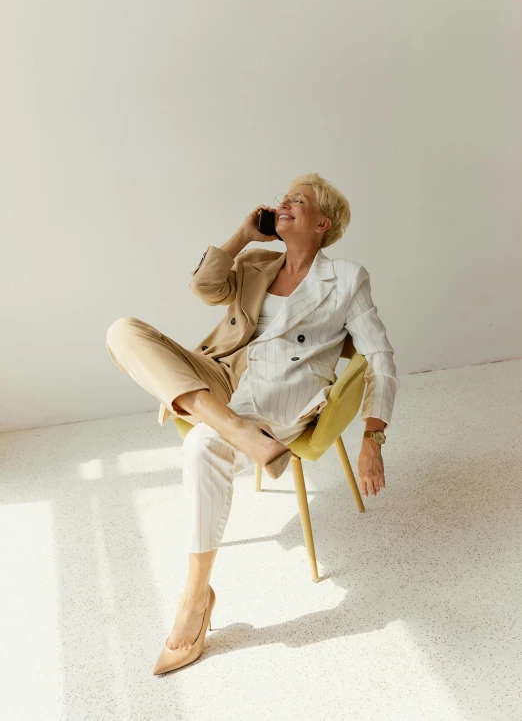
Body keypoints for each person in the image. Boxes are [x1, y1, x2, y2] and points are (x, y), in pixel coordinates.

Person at [106, 171, 400, 675]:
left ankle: (195, 598)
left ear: (322, 223)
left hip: (282, 392)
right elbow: (202, 286)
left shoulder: (348, 278)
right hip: (223, 376)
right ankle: (232, 428)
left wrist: (374, 436)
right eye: (281, 198)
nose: (283, 203)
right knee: (122, 331)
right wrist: (242, 235)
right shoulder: (258, 261)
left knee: (201, 446)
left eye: (298, 201)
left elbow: (381, 358)